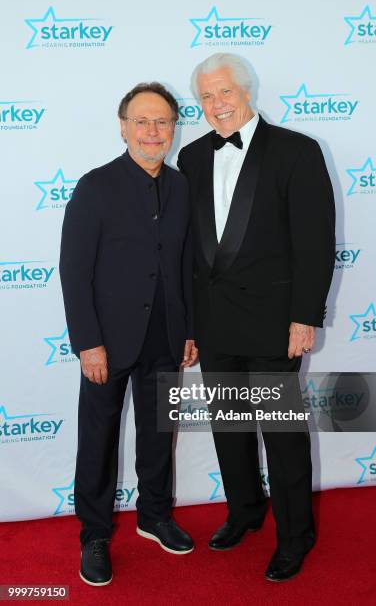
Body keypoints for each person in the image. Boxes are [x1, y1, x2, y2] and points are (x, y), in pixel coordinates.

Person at [177, 53, 335, 582]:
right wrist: (191, 327)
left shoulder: (297, 150)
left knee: (281, 433)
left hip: (274, 323)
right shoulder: (193, 157)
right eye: (205, 97)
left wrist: (304, 317)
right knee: (229, 427)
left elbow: (314, 245)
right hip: (215, 322)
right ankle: (244, 510)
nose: (216, 105)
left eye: (224, 92)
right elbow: (190, 252)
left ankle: (296, 535)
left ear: (247, 90)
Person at [60, 82, 197, 587]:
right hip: (107, 343)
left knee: (159, 433)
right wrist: (87, 342)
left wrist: (188, 329)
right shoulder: (94, 187)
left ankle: (154, 515)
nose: (152, 131)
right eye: (141, 121)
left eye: (161, 121)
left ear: (173, 129)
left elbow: (185, 264)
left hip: (166, 334)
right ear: (123, 127)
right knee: (98, 439)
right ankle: (94, 534)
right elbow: (74, 272)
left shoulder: (183, 187)